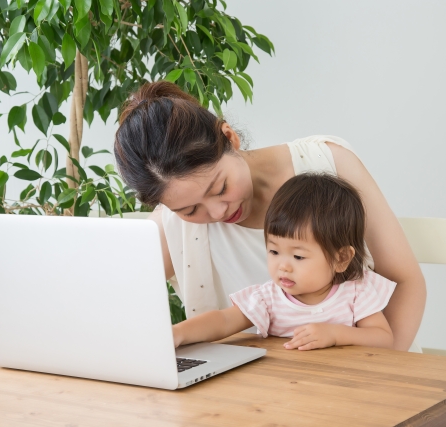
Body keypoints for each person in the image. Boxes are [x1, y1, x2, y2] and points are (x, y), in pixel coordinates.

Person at [114, 81, 425, 351]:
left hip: (370, 370)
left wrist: (381, 372)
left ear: (230, 138)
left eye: (220, 187)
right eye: (190, 210)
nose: (218, 212)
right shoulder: (171, 226)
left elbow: (405, 281)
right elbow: (113, 302)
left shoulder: (327, 163)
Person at [172, 173, 395, 350]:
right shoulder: (268, 299)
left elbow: (383, 338)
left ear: (341, 258)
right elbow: (223, 321)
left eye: (298, 256)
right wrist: (178, 333)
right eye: (274, 251)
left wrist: (335, 334)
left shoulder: (356, 291)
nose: (283, 266)